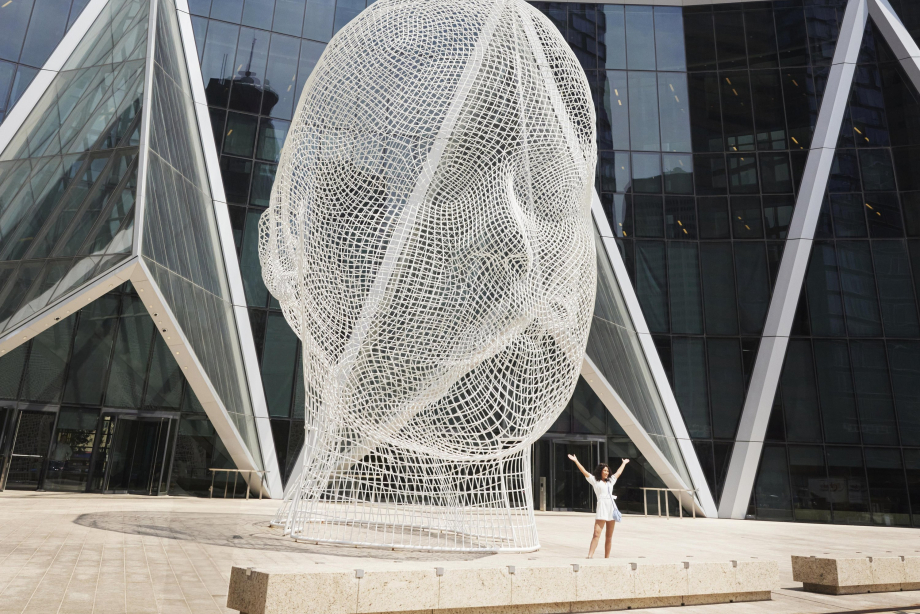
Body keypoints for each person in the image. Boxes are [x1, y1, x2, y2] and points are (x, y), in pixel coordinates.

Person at [568, 454, 629, 559]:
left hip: (611, 508)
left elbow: (618, 473)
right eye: (604, 470)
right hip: (602, 508)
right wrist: (576, 461)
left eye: (607, 471)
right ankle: (590, 556)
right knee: (596, 534)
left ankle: (607, 558)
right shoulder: (595, 480)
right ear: (600, 471)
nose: (606, 472)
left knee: (609, 536)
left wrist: (624, 463)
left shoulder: (611, 481)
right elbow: (584, 472)